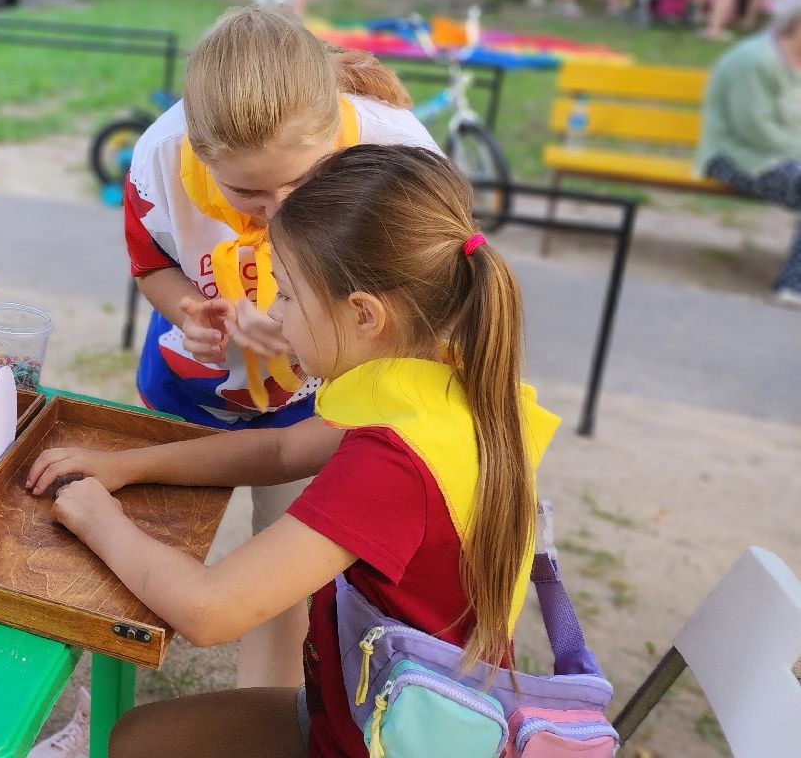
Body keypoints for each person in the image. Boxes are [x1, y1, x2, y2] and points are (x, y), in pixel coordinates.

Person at [33, 144, 560, 757]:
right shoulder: (442, 378)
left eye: (286, 296)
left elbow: (209, 611)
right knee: (136, 738)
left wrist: (98, 518)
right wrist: (127, 466)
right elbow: (282, 451)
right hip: (373, 705)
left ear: (363, 315)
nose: (276, 318)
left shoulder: (392, 465)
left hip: (384, 738)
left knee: (135, 743)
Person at [117, 6, 437, 690]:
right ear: (198, 150)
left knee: (280, 581)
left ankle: (265, 713)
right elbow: (152, 266)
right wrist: (191, 312)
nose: (281, 211)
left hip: (316, 402)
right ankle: (104, 706)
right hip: (192, 387)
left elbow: (422, 306)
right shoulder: (158, 157)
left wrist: (312, 332)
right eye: (247, 192)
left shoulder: (396, 152)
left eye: (303, 180)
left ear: (335, 132)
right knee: (140, 554)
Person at [695, 0, 801, 308]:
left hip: (784, 158)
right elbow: (754, 129)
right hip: (735, 158)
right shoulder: (755, 60)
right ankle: (793, 287)